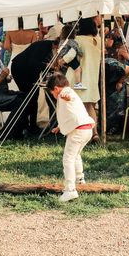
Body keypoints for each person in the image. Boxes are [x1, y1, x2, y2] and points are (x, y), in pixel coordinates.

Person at [47, 72, 95, 203]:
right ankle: (80, 179)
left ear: (56, 89)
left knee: (67, 159)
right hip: (86, 129)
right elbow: (70, 112)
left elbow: (68, 97)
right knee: (76, 155)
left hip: (78, 131)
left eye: (52, 93)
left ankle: (70, 190)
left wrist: (64, 96)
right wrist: (59, 127)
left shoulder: (66, 94)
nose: (53, 95)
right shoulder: (70, 92)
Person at [71, 17, 102, 135]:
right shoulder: (97, 40)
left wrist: (62, 61)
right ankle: (94, 133)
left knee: (80, 106)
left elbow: (70, 55)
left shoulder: (78, 39)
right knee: (91, 107)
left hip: (81, 78)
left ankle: (86, 133)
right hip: (93, 77)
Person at [57, 24, 86, 90]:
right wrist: (81, 53)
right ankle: (78, 84)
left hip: (63, 58)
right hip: (69, 58)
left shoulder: (62, 41)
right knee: (78, 69)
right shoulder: (71, 41)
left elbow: (59, 50)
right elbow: (76, 48)